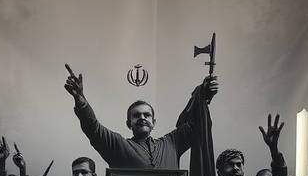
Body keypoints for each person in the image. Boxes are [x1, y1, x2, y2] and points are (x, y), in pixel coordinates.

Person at [63, 63, 218, 170]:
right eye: (136, 116)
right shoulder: (118, 146)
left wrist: (204, 95)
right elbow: (93, 128)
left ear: (154, 122)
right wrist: (80, 100)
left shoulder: (172, 143)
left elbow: (196, 124)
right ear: (128, 123)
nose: (142, 118)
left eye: (147, 115)